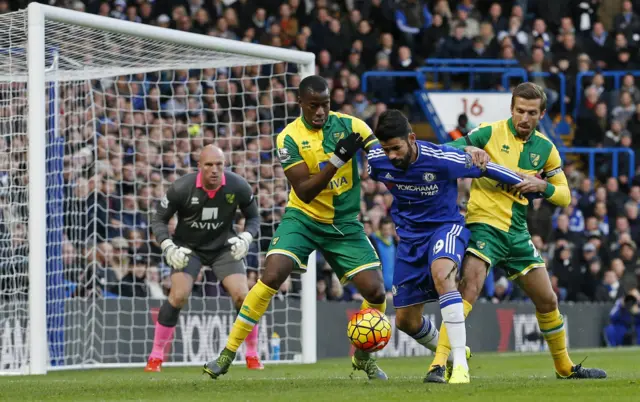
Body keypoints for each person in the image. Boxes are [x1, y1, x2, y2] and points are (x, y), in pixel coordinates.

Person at [204, 75, 389, 380]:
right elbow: (304, 190)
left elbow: (379, 154)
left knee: (377, 291)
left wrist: (381, 163)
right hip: (303, 217)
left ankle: (364, 357)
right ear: (300, 103)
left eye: (325, 105)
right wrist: (337, 159)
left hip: (343, 223)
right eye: (314, 105)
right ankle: (228, 353)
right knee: (272, 274)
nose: (320, 112)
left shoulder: (352, 125)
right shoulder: (288, 137)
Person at [426, 82, 607, 382]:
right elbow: (445, 151)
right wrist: (469, 148)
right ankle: (438, 363)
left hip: (517, 234)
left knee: (548, 300)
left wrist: (542, 186)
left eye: (531, 113)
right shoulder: (489, 132)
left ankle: (564, 367)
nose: (524, 117)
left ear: (541, 114)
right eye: (520, 111)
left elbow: (564, 195)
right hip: (484, 224)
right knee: (469, 286)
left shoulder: (545, 149)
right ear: (511, 109)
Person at [367, 109, 531, 384]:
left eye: (396, 148)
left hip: (445, 228)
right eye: (387, 149)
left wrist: (529, 183)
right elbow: (365, 156)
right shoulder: (377, 161)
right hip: (409, 240)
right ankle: (457, 353)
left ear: (411, 138)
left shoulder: (440, 159)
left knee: (443, 273)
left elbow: (487, 168)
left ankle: (459, 368)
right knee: (405, 321)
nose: (392, 156)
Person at [145, 145, 263, 372]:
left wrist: (247, 237)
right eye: (209, 165)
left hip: (223, 248)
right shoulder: (181, 188)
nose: (214, 170)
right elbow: (158, 220)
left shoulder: (238, 185)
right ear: (199, 166)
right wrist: (168, 245)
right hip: (188, 249)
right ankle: (156, 357)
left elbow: (254, 217)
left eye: (219, 164)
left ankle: (252, 354)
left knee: (242, 296)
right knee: (178, 296)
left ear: (224, 165)